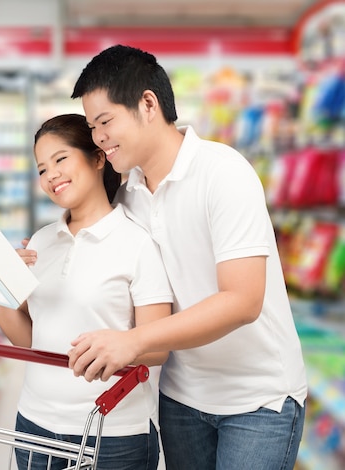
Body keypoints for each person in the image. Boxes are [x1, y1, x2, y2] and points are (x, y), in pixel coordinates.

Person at [62, 44, 307, 470]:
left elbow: (243, 300)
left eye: (105, 122)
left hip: (259, 399)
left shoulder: (223, 172)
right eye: (91, 127)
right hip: (181, 398)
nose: (99, 138)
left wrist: (133, 341)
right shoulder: (127, 195)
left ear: (148, 104)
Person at [0, 113, 173, 470]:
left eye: (60, 159)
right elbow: (28, 340)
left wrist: (114, 347)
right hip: (34, 425)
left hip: (112, 433)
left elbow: (158, 350)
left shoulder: (138, 244)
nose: (50, 175)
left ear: (98, 158)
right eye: (41, 169)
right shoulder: (42, 241)